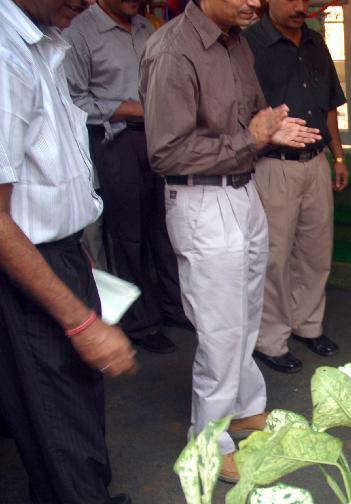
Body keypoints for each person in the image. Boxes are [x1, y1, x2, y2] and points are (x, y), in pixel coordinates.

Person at [139, 0, 321, 482]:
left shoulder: (236, 44)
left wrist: (272, 129)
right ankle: (207, 443)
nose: (255, 2)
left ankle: (243, 409)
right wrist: (254, 140)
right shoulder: (173, 50)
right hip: (201, 200)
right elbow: (166, 152)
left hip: (242, 191)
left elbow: (250, 119)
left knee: (244, 316)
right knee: (219, 330)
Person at [0, 0, 138, 501]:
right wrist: (81, 324)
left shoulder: (43, 42)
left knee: (76, 403)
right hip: (26, 266)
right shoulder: (5, 54)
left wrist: (77, 248)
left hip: (58, 252)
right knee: (59, 422)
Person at [63, 0, 187, 354]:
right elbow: (73, 101)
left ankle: (173, 306)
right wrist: (128, 108)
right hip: (116, 141)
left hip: (157, 138)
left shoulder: (146, 27)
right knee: (128, 236)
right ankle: (140, 322)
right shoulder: (80, 32)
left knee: (164, 229)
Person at [243, 0, 348, 374]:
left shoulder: (316, 42)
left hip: (316, 162)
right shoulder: (249, 44)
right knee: (274, 256)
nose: (300, 6)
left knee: (316, 251)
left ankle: (308, 325)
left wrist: (338, 157)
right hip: (273, 165)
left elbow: (330, 104)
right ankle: (270, 340)